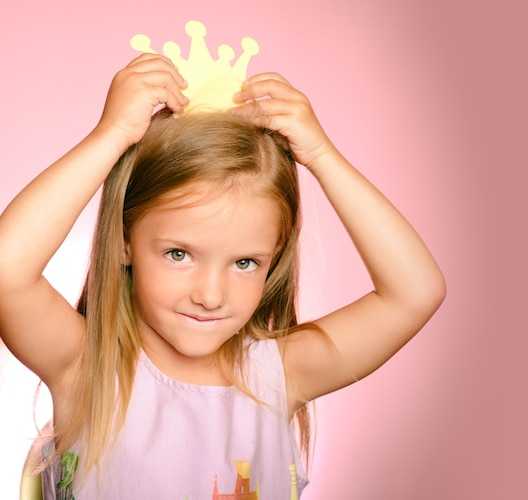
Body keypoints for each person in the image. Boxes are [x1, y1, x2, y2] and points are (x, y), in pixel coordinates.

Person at [0, 53, 446, 499]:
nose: (211, 295)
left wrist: (323, 156)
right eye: (179, 254)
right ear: (123, 239)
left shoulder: (277, 376)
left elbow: (415, 292)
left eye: (244, 263)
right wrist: (110, 137)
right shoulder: (86, 368)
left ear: (275, 256)